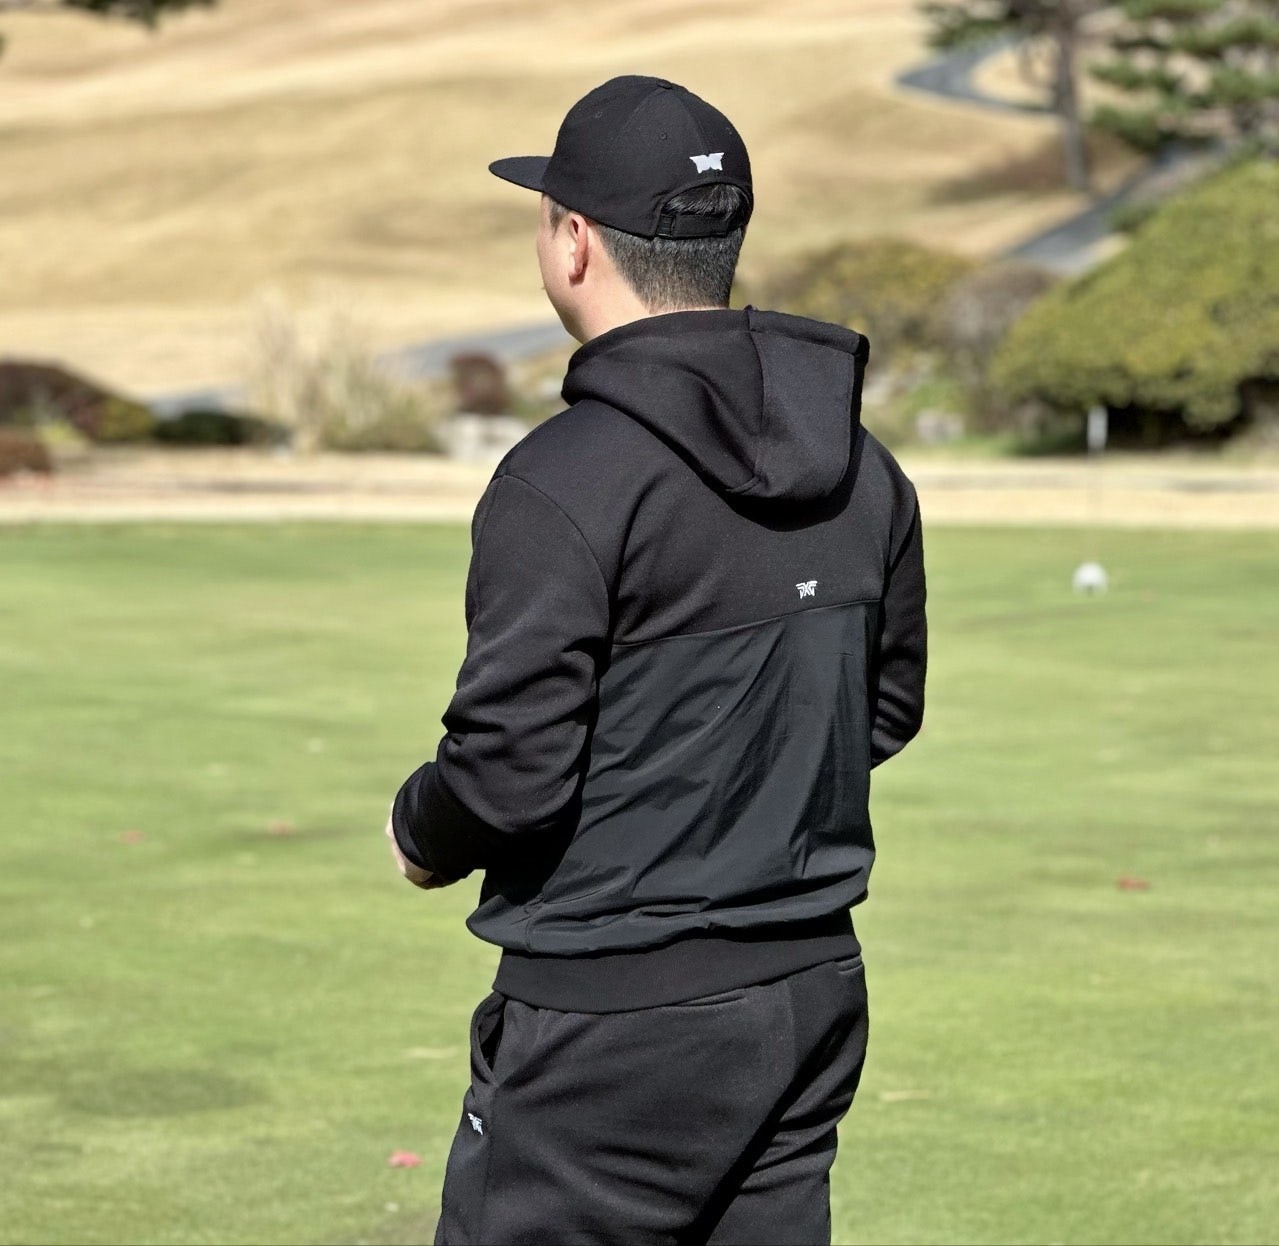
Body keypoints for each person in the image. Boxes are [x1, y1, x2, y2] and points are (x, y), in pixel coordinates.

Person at [385, 74, 927, 1246]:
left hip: (607, 1021)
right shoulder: (863, 464)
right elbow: (878, 712)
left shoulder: (564, 478)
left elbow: (507, 773)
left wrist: (417, 829)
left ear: (574, 242)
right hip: (809, 989)